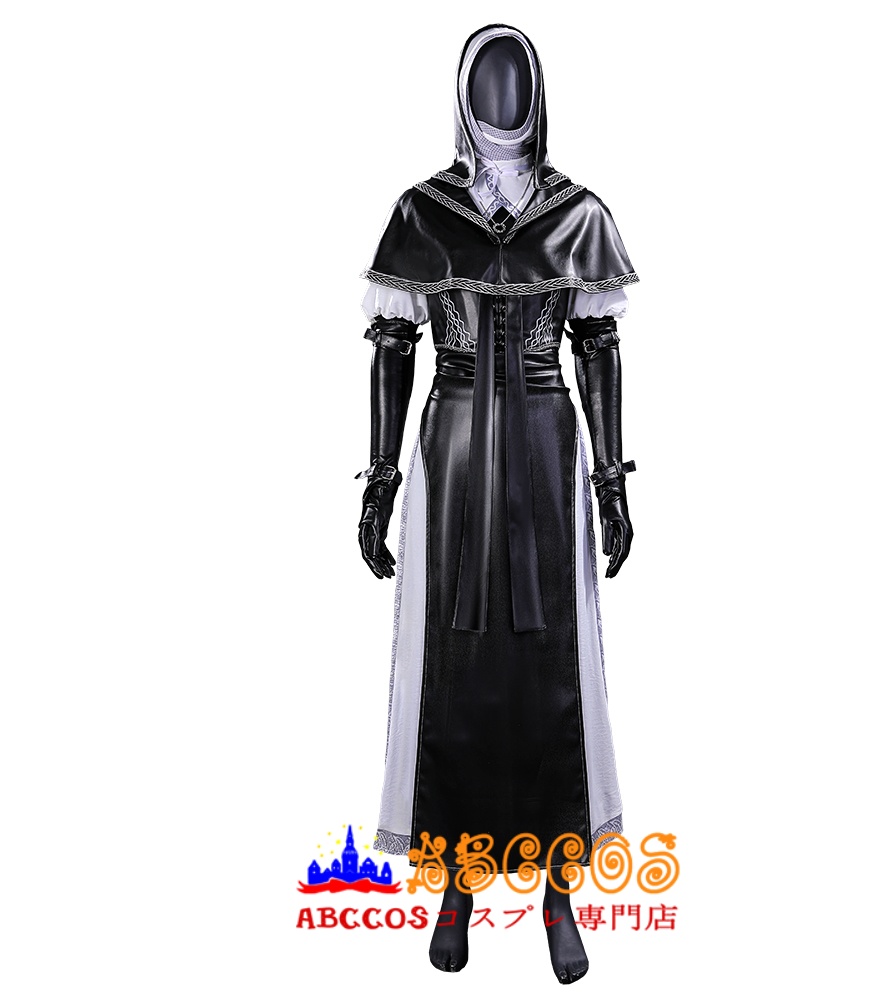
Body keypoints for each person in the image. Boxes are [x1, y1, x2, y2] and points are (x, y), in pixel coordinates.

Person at [356, 24, 638, 984]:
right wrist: (381, 479)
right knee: (458, 664)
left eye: (515, 84)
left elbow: (598, 346)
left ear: (538, 95)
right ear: (464, 95)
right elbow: (393, 349)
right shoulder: (422, 212)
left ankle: (559, 890)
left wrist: (610, 482)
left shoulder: (578, 213)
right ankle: (457, 884)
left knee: (550, 664)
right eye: (489, 82)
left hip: (547, 452)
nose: (502, 100)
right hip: (455, 455)